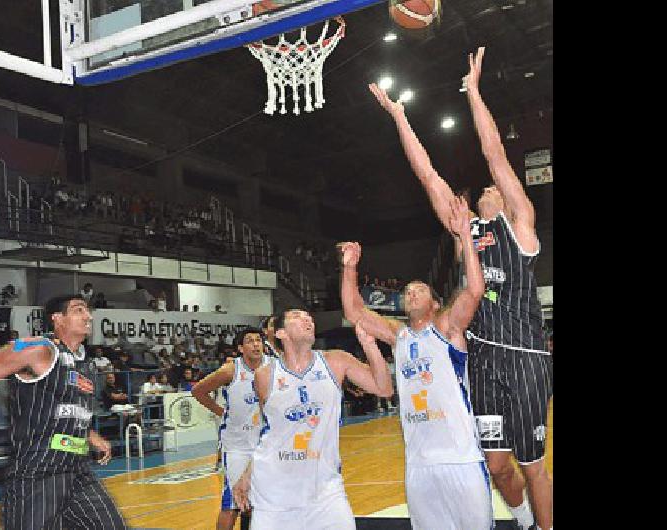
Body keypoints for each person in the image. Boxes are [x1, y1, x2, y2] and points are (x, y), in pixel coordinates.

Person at [368, 46, 552, 529]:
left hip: (526, 355)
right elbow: (426, 173)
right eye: (486, 191)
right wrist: (399, 118)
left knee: (533, 464)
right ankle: (527, 520)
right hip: (485, 359)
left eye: (495, 189)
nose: (489, 189)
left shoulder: (521, 228)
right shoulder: (465, 231)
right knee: (496, 466)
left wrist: (474, 93)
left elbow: (494, 153)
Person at [338, 195, 492, 529]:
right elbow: (354, 312)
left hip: (460, 459)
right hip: (419, 465)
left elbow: (474, 291)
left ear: (436, 304)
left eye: (418, 291)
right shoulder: (400, 336)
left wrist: (465, 235)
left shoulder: (448, 329)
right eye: (407, 292)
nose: (410, 294)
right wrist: (350, 267)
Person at [232, 309, 393, 529]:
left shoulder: (336, 361)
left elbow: (384, 388)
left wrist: (369, 345)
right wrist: (247, 474)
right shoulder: (265, 375)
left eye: (308, 316)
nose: (307, 319)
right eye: (297, 316)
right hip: (274, 493)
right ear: (280, 333)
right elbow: (271, 432)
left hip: (325, 491)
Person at [0, 295, 126, 530]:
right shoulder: (37, 347)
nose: (88, 316)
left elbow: (66, 407)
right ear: (58, 319)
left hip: (78, 469)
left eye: (88, 311)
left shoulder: (86, 364)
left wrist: (89, 434)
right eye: (79, 310)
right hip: (38, 472)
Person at [191, 327, 269, 530]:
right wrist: (220, 412)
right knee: (232, 503)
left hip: (268, 444)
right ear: (241, 348)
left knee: (268, 500)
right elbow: (198, 391)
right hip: (238, 445)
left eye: (259, 340)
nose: (255, 344)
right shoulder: (231, 370)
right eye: (250, 341)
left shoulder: (274, 366)